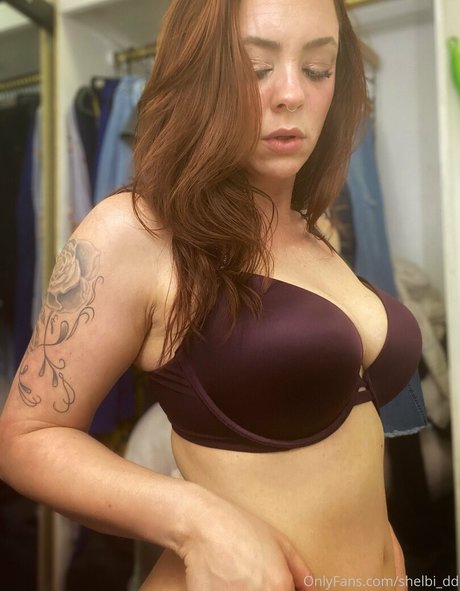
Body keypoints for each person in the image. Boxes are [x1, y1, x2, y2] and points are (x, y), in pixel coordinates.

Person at [0, 0, 422, 589]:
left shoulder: (316, 228)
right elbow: (27, 437)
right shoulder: (135, 233)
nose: (291, 94)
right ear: (199, 73)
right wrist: (196, 522)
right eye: (257, 67)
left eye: (318, 69)